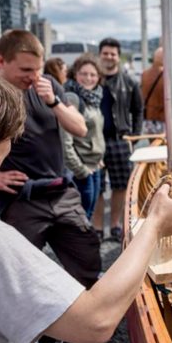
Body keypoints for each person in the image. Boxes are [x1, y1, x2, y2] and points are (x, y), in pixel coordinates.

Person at [0, 57, 172, 343]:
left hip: (56, 192)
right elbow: (94, 322)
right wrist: (155, 223)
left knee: (85, 253)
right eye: (11, 138)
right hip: (28, 200)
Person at [0, 30, 101, 289]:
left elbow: (80, 128)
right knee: (19, 275)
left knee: (88, 260)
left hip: (61, 192)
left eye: (37, 69)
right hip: (20, 199)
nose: (33, 76)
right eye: (26, 69)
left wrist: (54, 101)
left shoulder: (47, 85)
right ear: (1, 61)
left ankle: (80, 321)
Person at [93, 37, 143, 241]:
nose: (109, 57)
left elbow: (138, 109)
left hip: (120, 139)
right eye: (105, 53)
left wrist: (135, 135)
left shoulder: (129, 81)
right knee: (97, 187)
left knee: (121, 186)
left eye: (113, 53)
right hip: (94, 141)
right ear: (100, 54)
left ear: (118, 56)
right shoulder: (91, 78)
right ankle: (97, 227)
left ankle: (114, 225)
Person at [61, 53, 105, 220]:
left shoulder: (94, 98)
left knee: (88, 215)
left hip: (95, 165)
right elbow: (65, 142)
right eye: (83, 74)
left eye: (93, 74)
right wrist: (81, 170)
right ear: (75, 74)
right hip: (81, 169)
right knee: (81, 218)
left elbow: (96, 133)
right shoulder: (72, 98)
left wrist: (99, 157)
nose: (88, 78)